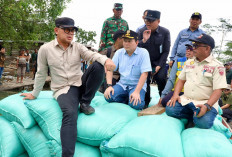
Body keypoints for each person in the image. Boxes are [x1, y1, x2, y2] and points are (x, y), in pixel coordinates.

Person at [20, 17, 115, 156]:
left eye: (72, 31)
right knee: (70, 114)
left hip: (80, 83)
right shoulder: (45, 49)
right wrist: (35, 93)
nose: (70, 33)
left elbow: (91, 55)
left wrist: (106, 60)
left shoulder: (77, 47)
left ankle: (85, 102)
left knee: (98, 65)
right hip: (64, 89)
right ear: (56, 30)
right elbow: (40, 73)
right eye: (67, 30)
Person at [166, 34, 227, 129]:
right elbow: (181, 80)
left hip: (205, 102)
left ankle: (197, 116)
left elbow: (218, 90)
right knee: (170, 109)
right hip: (187, 100)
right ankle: (193, 116)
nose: (193, 48)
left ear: (207, 48)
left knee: (204, 123)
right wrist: (175, 95)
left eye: (196, 46)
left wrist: (207, 106)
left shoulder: (217, 66)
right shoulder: (189, 62)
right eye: (193, 45)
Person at [104, 30, 152, 110]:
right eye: (125, 41)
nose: (126, 43)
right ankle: (127, 98)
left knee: (136, 104)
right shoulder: (119, 52)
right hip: (122, 85)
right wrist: (109, 86)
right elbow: (110, 69)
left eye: (129, 41)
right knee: (108, 96)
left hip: (136, 86)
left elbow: (145, 74)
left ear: (136, 42)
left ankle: (130, 98)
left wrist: (136, 92)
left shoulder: (143, 53)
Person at [138, 10, 171, 107]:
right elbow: (136, 48)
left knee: (161, 78)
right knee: (145, 81)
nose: (148, 22)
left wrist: (159, 65)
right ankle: (146, 100)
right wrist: (143, 40)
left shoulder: (165, 32)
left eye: (151, 21)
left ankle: (163, 99)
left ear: (158, 21)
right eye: (146, 20)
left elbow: (165, 51)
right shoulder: (141, 31)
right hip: (144, 63)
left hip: (158, 62)